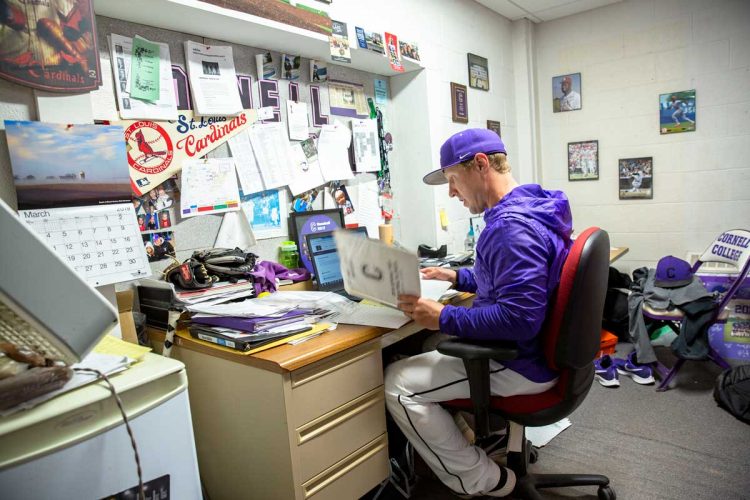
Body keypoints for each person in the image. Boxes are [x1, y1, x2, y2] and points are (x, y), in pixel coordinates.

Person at [386, 128, 573, 498]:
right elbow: (514, 278)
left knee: (397, 382)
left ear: (481, 164)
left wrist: (443, 315)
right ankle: (467, 441)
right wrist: (457, 275)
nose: (452, 192)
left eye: (453, 180)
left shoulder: (509, 229)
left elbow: (519, 318)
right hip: (542, 355)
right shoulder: (532, 206)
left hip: (522, 362)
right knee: (436, 342)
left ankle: (482, 479)